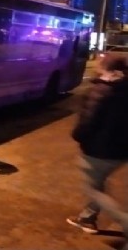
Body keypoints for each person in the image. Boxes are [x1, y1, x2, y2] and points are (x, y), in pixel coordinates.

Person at [66, 52, 128, 244]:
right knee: (98, 181)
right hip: (122, 151)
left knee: (93, 188)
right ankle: (87, 219)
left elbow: (87, 123)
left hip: (99, 150)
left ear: (109, 69)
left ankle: (125, 221)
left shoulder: (100, 91)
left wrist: (78, 137)